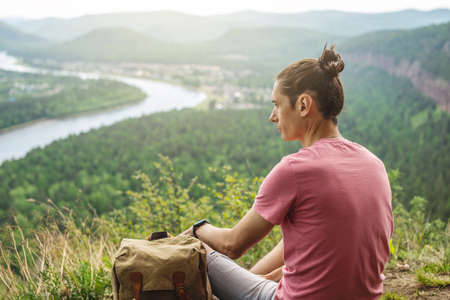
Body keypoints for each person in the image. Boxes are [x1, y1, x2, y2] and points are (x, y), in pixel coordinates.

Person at [182, 44, 393, 300]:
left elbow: (232, 244)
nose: (273, 116)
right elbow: (321, 242)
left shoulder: (294, 169)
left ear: (303, 105)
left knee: (195, 250)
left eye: (277, 104)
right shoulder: (374, 164)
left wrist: (197, 230)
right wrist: (258, 277)